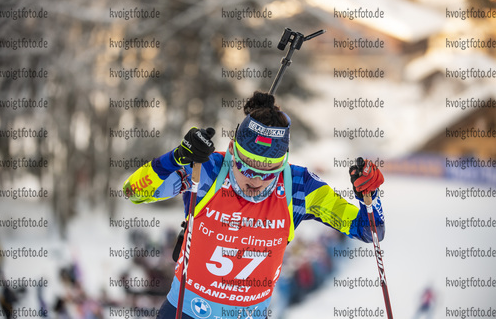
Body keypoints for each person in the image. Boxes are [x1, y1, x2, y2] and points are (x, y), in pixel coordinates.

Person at [123, 91, 385, 319]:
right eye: (247, 168)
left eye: (269, 171)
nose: (257, 180)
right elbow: (134, 191)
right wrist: (175, 158)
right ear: (232, 151)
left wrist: (369, 196)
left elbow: (369, 231)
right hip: (186, 311)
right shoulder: (208, 170)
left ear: (283, 162)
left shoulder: (298, 186)